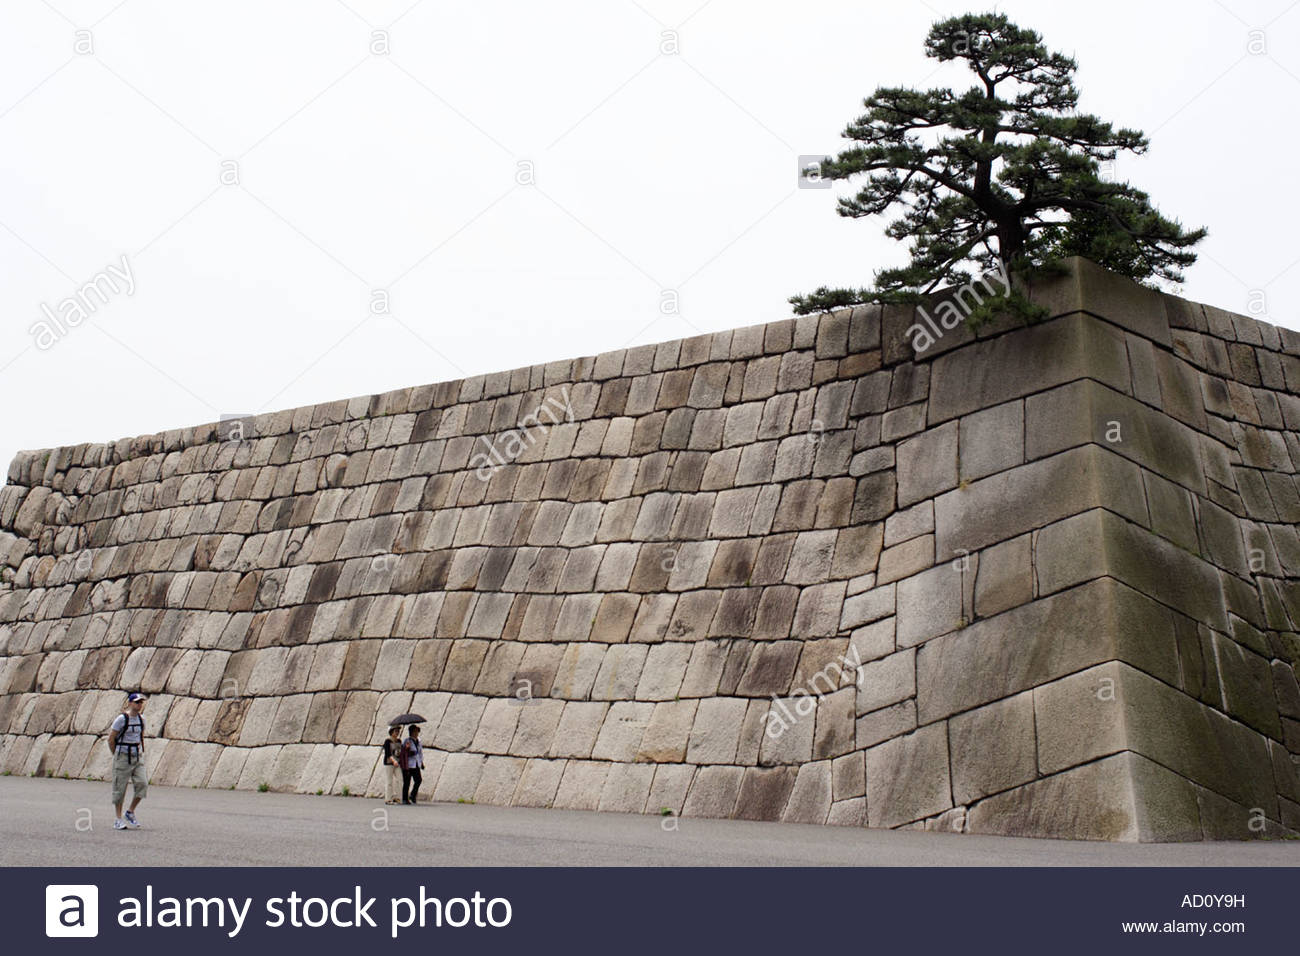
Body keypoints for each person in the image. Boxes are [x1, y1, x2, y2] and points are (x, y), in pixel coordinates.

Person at [108, 693, 149, 830]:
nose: (139, 705)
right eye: (137, 702)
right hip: (123, 756)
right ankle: (118, 819)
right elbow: (111, 738)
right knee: (120, 789)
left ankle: (130, 811)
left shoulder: (142, 719)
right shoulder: (121, 719)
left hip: (137, 756)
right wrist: (117, 754)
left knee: (142, 783)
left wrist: (140, 751)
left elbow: (140, 736)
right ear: (130, 703)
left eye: (141, 702)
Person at [400, 724, 424, 805]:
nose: (417, 733)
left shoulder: (419, 741)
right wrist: (407, 749)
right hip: (408, 764)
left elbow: (420, 753)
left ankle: (413, 795)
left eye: (417, 731)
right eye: (415, 731)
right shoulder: (407, 741)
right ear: (411, 732)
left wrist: (421, 762)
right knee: (407, 782)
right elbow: (403, 753)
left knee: (418, 780)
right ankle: (404, 799)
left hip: (416, 764)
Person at [382, 725, 403, 805]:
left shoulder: (399, 741)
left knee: (400, 779)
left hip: (397, 763)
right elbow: (388, 753)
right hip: (389, 763)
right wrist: (393, 760)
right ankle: (388, 799)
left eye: (398, 731)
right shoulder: (387, 741)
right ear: (391, 732)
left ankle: (398, 797)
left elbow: (400, 752)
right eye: (395, 731)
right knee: (389, 781)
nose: (397, 733)